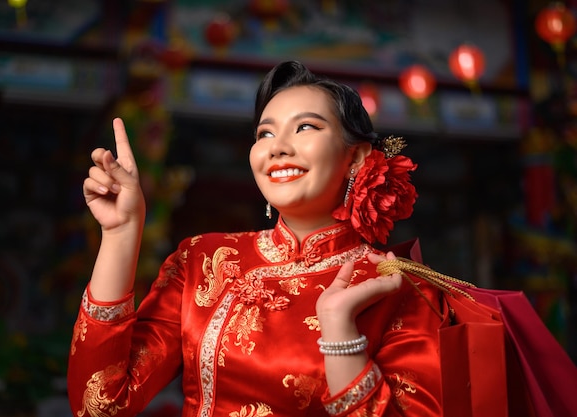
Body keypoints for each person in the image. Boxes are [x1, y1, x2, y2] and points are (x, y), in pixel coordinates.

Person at [67, 60, 444, 417]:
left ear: (357, 157)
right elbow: (98, 405)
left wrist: (340, 332)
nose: (277, 147)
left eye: (305, 127)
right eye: (265, 133)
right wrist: (119, 234)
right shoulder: (203, 259)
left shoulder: (398, 286)